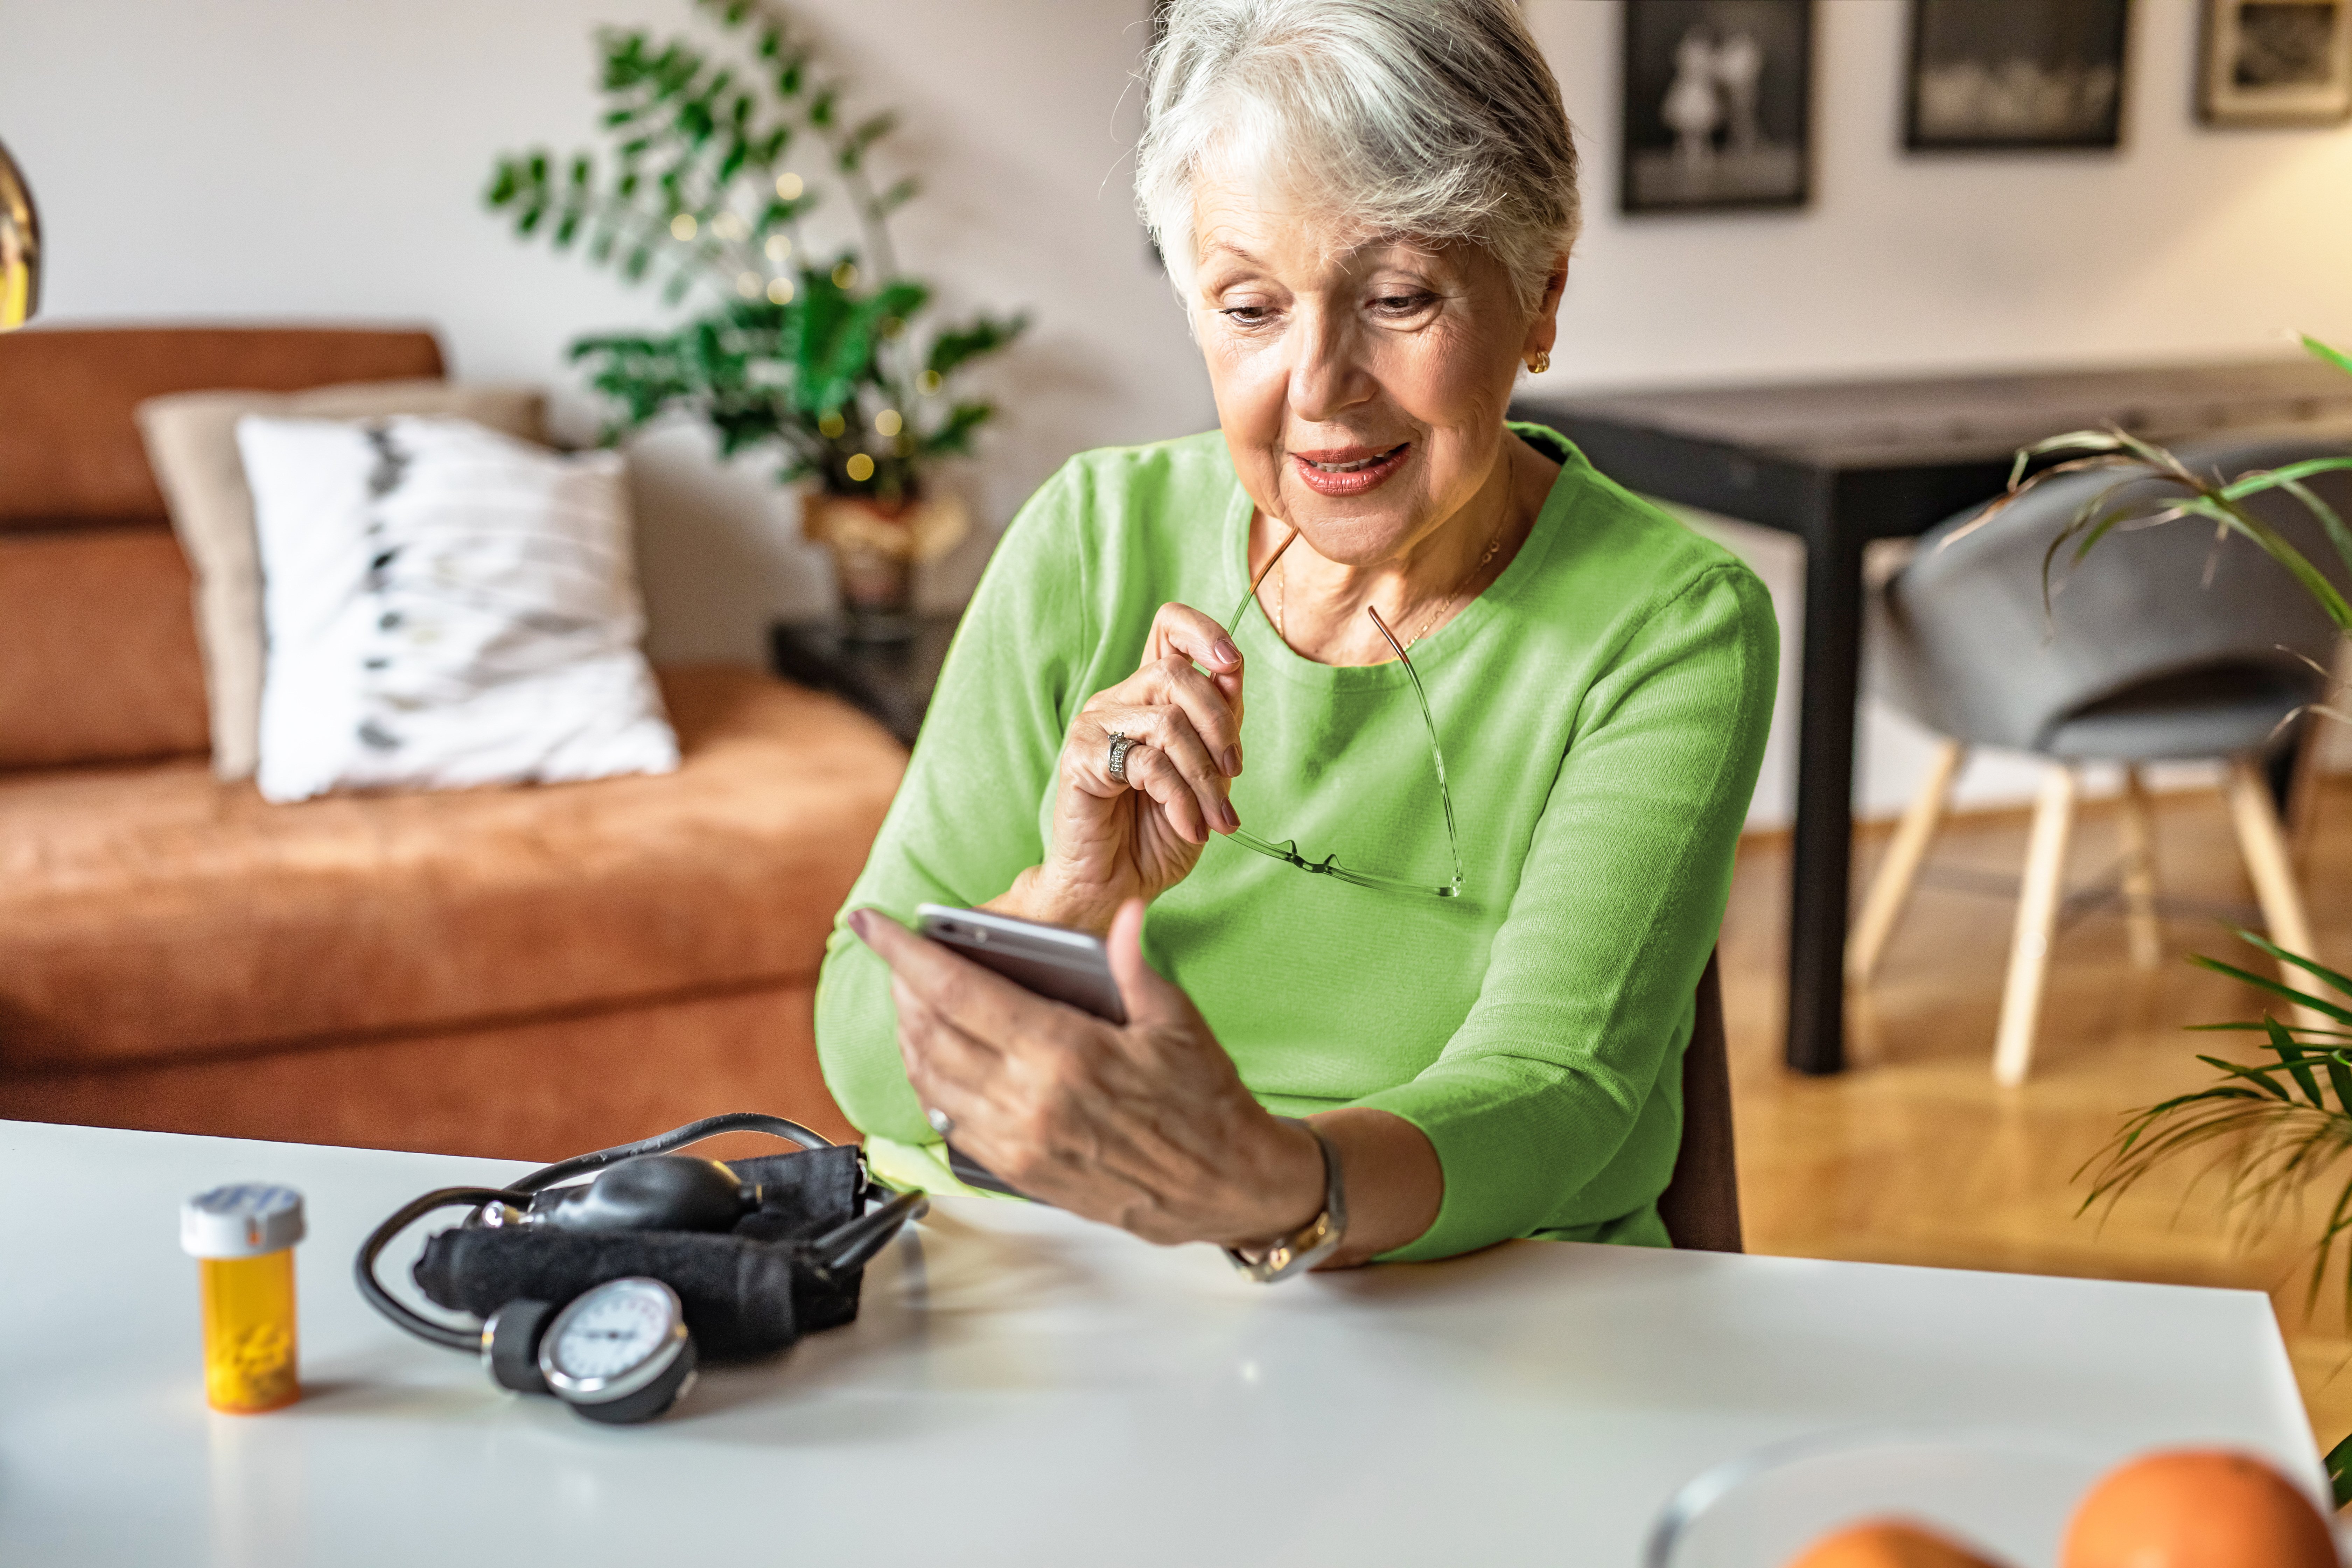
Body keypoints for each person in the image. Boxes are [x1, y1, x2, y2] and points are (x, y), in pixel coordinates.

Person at [817, 0, 1777, 1272]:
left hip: (1464, 1306)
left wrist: (1271, 1186)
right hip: (1043, 1285)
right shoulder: (1093, 536)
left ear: (1541, 295)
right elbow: (863, 1047)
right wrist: (1064, 905)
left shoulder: (1668, 625)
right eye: (1252, 308)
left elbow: (1558, 1096)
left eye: (1399, 297)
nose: (1320, 387)